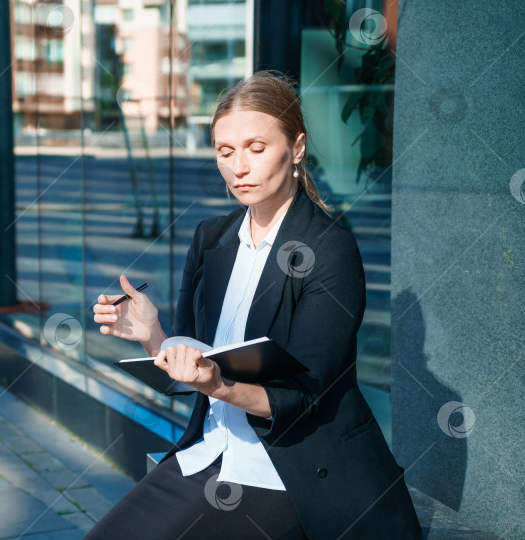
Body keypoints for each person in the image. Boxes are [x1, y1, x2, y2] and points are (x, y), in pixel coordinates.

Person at [88, 71, 422, 539]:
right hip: (212, 448)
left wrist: (219, 384)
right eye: (226, 152)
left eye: (256, 148)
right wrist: (152, 333)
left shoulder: (328, 249)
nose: (239, 166)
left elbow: (303, 398)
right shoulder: (211, 239)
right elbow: (192, 365)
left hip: (293, 469)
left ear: (297, 148)